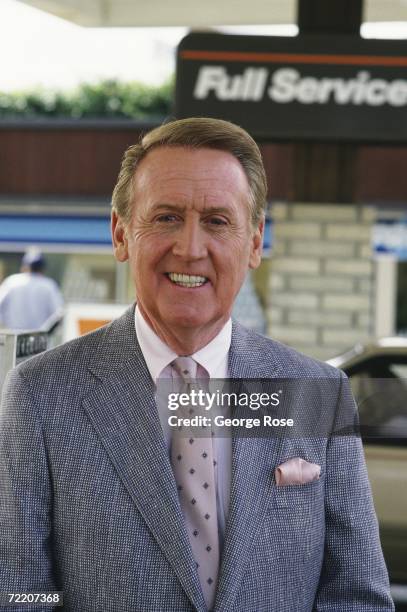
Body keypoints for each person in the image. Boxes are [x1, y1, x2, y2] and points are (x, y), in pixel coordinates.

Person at [0, 118, 394, 612]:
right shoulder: (41, 394)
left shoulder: (316, 391)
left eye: (217, 221)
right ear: (121, 234)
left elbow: (356, 595)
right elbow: (18, 591)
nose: (190, 247)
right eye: (165, 217)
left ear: (253, 243)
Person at [0, 248, 63, 330]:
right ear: (42, 269)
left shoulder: (12, 281)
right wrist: (46, 332)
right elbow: (59, 314)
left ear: (24, 266)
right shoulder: (48, 285)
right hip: (39, 338)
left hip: (14, 337)